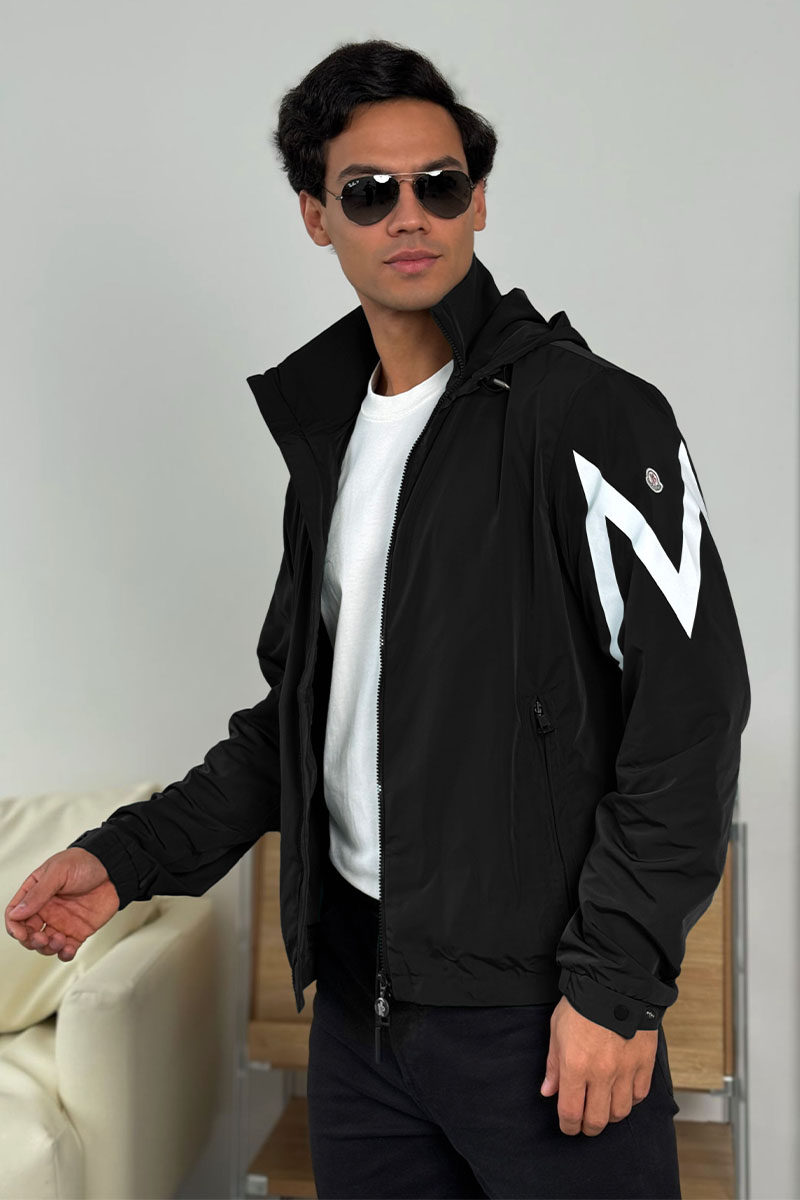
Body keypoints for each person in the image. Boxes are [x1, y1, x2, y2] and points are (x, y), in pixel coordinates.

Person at [5, 37, 750, 1200]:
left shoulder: (590, 416)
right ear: (317, 216)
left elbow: (689, 719)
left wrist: (612, 989)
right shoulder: (335, 445)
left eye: (439, 185)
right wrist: (123, 856)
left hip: (543, 1018)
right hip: (361, 1026)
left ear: (477, 200)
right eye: (368, 191)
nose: (410, 215)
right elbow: (299, 725)